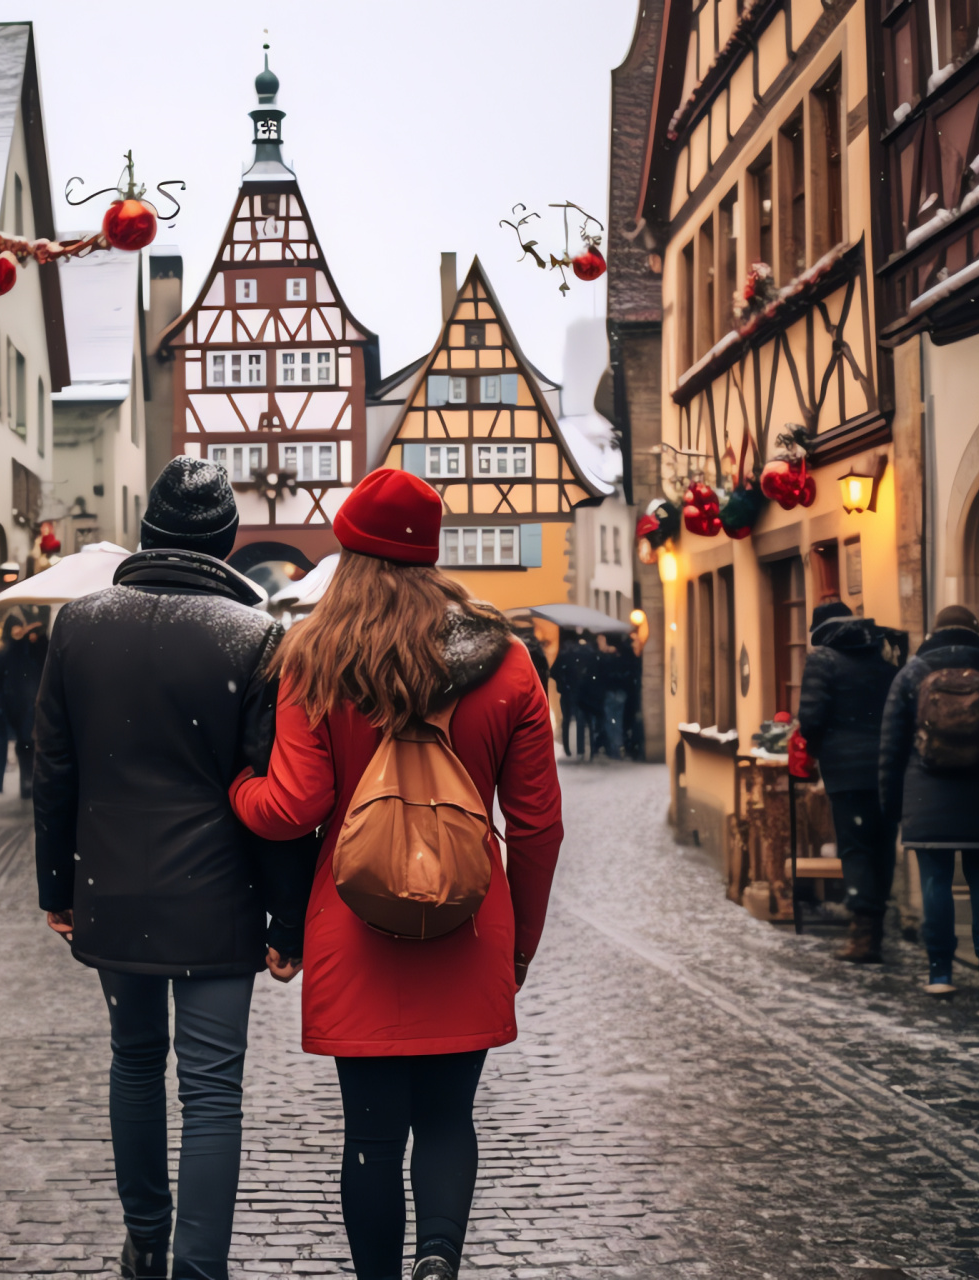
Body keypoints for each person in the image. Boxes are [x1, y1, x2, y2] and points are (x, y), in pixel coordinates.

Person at [230, 468, 563, 1280]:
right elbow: (538, 823)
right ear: (431, 554)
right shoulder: (508, 661)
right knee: (449, 1119)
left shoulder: (316, 657)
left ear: (348, 552)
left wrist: (239, 792)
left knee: (372, 1133)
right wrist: (520, 940)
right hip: (470, 919)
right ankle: (439, 1261)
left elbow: (296, 806)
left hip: (356, 920)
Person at [33, 457, 311, 1280]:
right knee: (213, 1087)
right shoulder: (255, 635)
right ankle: (199, 1267)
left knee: (134, 1058)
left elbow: (54, 769)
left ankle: (145, 1238)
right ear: (225, 544)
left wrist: (58, 886)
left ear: (148, 534)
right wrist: (286, 921)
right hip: (218, 896)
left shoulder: (79, 626)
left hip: (110, 884)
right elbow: (272, 793)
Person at [879, 604, 979, 997]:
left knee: (935, 882)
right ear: (976, 633)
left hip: (927, 796)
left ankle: (940, 971)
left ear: (934, 634)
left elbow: (891, 748)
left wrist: (892, 806)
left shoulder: (910, 676)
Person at [796, 601, 899, 962]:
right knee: (882, 847)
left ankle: (863, 934)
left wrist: (819, 746)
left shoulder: (823, 661)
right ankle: (877, 926)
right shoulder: (883, 661)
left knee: (855, 849)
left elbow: (810, 717)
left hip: (847, 773)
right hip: (886, 770)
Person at [0, 614, 45, 799]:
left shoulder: (26, 651)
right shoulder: (12, 653)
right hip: (11, 704)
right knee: (13, 744)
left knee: (24, 745)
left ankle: (24, 784)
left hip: (22, 704)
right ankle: (7, 784)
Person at [549, 633, 598, 761]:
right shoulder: (587, 655)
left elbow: (554, 672)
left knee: (568, 720)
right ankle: (584, 750)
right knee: (583, 721)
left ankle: (569, 749)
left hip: (569, 692)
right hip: (583, 692)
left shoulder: (566, 655)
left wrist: (563, 682)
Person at [592, 635, 631, 761]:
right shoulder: (621, 657)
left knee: (610, 722)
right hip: (620, 692)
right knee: (617, 722)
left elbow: (601, 675)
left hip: (610, 692)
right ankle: (618, 748)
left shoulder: (605, 659)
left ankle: (614, 749)